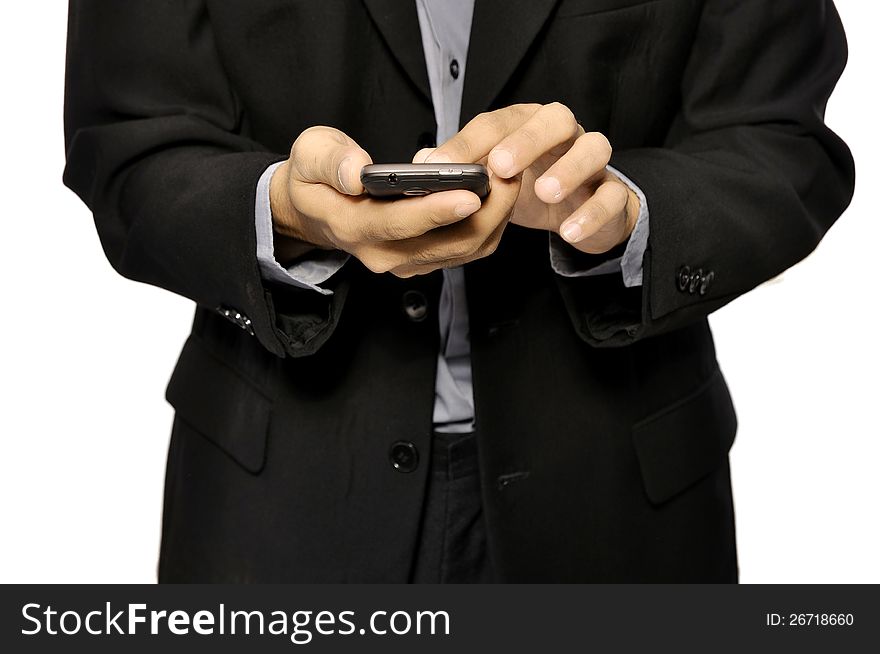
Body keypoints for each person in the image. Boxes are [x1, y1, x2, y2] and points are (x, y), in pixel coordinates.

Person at [63, 0, 854, 582]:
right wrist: (285, 212)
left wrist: (629, 212)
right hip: (279, 504)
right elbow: (126, 145)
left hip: (620, 504)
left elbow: (782, 138)